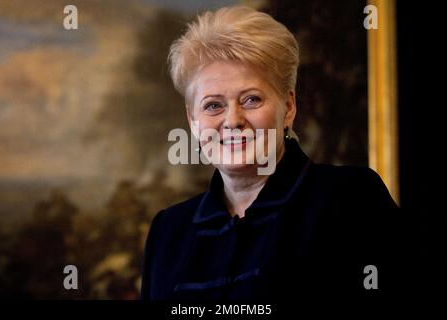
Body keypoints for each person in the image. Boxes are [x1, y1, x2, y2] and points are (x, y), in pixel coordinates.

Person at [141, 6, 405, 302]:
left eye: (251, 99)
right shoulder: (168, 231)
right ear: (192, 120)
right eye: (213, 105)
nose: (233, 120)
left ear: (288, 107)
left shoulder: (352, 199)